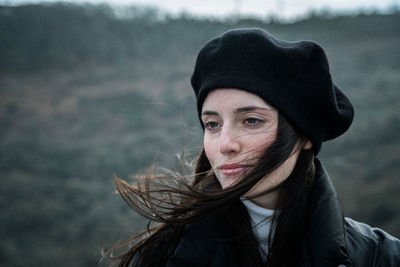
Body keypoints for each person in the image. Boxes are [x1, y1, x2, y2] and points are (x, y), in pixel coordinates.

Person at [109, 28, 400, 267]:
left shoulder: (381, 257)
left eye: (250, 120)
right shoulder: (162, 256)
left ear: (304, 134)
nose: (225, 144)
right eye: (212, 124)